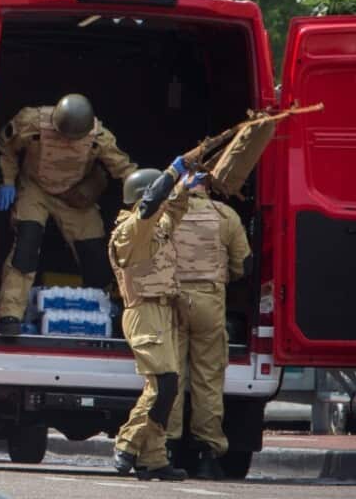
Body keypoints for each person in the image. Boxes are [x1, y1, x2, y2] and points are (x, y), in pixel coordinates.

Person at [0, 93, 137, 334]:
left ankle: (105, 311)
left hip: (73, 195)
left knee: (95, 254)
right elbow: (6, 145)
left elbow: (122, 167)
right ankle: (10, 314)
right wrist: (7, 181)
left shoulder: (98, 137)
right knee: (25, 248)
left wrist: (143, 192)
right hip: (35, 189)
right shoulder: (32, 122)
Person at [108, 158, 201, 482]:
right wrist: (173, 172)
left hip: (163, 312)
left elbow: (170, 214)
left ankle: (153, 459)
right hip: (143, 311)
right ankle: (127, 445)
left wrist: (183, 191)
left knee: (165, 389)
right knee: (164, 385)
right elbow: (151, 207)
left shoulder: (154, 228)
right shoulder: (129, 231)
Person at [165, 186, 252, 480]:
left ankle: (166, 448)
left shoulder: (166, 211)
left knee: (170, 376)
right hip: (209, 303)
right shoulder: (225, 214)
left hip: (170, 301)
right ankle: (206, 454)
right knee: (208, 380)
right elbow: (243, 265)